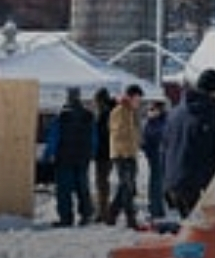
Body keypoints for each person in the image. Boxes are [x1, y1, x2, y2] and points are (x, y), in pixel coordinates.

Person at [163, 69, 215, 221]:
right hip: (196, 183)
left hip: (174, 178)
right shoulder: (211, 112)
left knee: (189, 227)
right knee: (200, 233)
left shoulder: (176, 112)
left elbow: (166, 145)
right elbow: (213, 150)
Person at [43, 87, 98, 227]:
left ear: (67, 98)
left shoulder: (62, 116)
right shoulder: (88, 116)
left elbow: (53, 138)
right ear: (79, 97)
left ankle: (66, 218)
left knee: (64, 190)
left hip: (64, 157)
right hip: (83, 157)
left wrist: (48, 155)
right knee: (82, 187)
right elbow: (94, 138)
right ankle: (86, 215)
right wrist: (91, 153)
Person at [106, 84, 143, 228]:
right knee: (127, 186)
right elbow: (117, 133)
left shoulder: (132, 112)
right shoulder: (119, 111)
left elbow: (135, 132)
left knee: (126, 186)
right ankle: (130, 218)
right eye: (137, 99)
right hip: (122, 154)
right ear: (130, 97)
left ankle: (112, 214)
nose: (138, 102)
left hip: (131, 153)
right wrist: (127, 149)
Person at [141, 98, 170, 225]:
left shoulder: (163, 121)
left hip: (160, 153)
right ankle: (155, 208)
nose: (150, 111)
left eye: (153, 109)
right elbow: (145, 136)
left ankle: (157, 208)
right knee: (155, 182)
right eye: (150, 109)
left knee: (157, 182)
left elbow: (161, 135)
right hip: (153, 154)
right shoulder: (151, 122)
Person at [91, 87, 115, 223]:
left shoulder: (105, 114)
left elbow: (103, 134)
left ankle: (103, 212)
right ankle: (103, 211)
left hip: (104, 153)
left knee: (101, 183)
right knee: (102, 183)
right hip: (108, 151)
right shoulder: (111, 111)